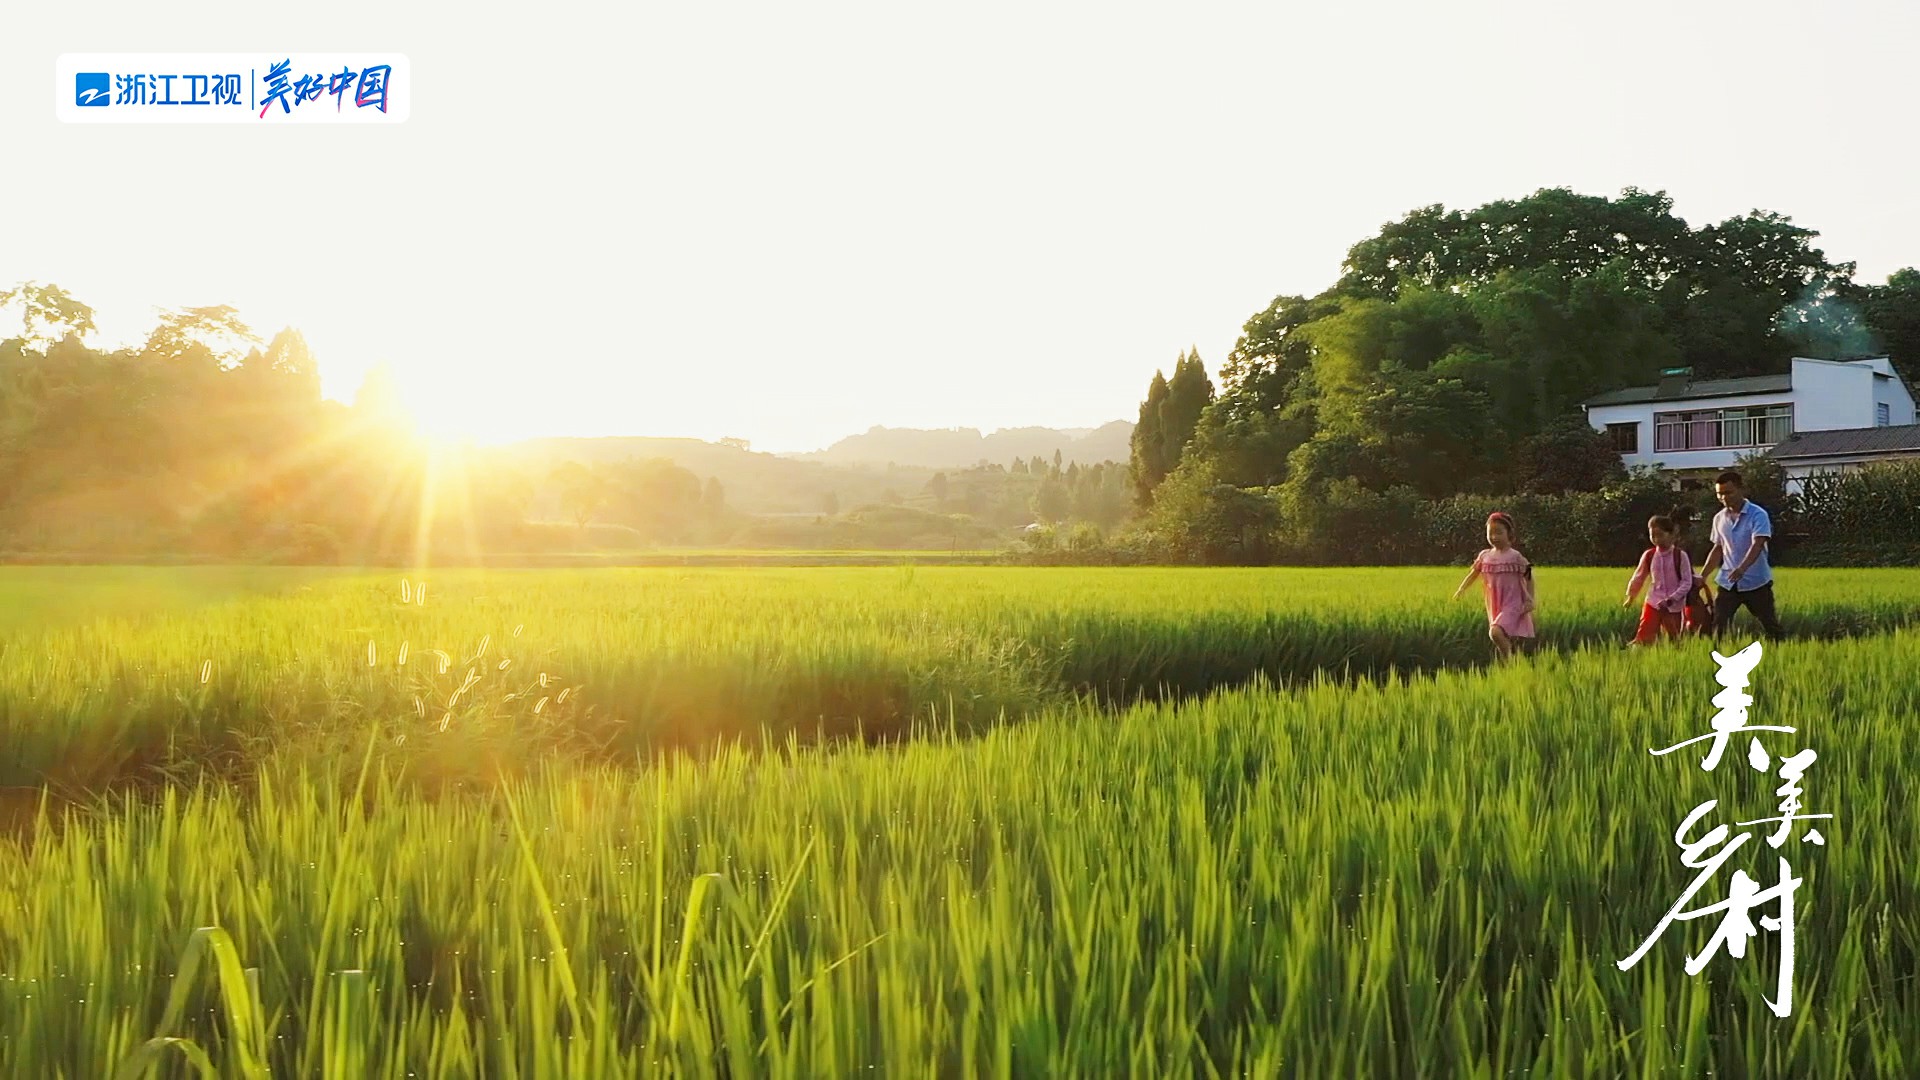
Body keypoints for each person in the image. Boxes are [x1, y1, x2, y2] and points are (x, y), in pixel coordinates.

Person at [1699, 470, 1785, 641]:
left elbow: (1758, 544)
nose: (1724, 497)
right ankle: (1716, 657)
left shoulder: (1758, 514)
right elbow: (1718, 549)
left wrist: (1742, 569)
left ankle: (1782, 650)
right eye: (1719, 494)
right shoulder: (1719, 518)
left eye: (1728, 492)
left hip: (1756, 582)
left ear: (1741, 490)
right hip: (1728, 583)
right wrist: (1702, 576)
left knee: (1769, 624)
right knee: (1719, 623)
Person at [1451, 510, 1535, 660]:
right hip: (1495, 603)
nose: (1494, 537)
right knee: (1498, 634)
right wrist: (1461, 589)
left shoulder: (1515, 556)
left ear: (1509, 534)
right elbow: (1473, 574)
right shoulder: (1485, 556)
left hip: (1513, 601)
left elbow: (1528, 575)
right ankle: (1512, 661)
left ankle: (1510, 662)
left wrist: (1530, 599)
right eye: (1490, 533)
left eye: (1499, 533)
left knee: (1495, 632)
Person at [1623, 515, 1692, 645]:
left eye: (1660, 535)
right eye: (1652, 536)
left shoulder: (1680, 556)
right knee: (1644, 634)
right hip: (1653, 601)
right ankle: (1637, 655)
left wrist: (1672, 598)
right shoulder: (1649, 555)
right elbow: (1639, 576)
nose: (1656, 539)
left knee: (1674, 638)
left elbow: (1686, 582)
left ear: (1671, 535)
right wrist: (1631, 597)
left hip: (1674, 605)